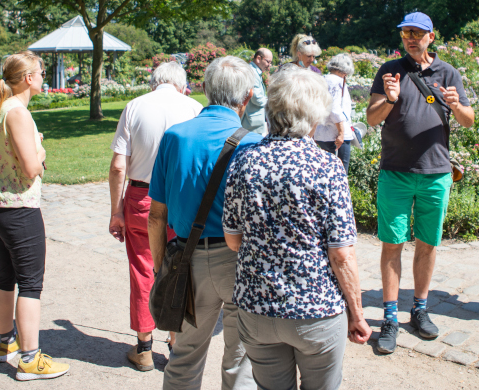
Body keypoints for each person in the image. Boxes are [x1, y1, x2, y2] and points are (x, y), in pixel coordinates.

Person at [223, 68, 372, 389]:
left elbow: (233, 240)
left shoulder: (243, 160)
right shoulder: (328, 166)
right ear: (314, 115)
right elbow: (342, 254)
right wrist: (357, 314)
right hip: (315, 311)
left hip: (257, 308)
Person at [148, 56, 261, 390]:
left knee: (184, 356)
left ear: (205, 89)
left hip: (188, 259)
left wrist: (160, 268)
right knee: (240, 361)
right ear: (248, 96)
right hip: (239, 261)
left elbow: (156, 214)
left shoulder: (175, 137)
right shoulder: (254, 145)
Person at [365, 11, 475, 354]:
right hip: (395, 172)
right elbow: (371, 118)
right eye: (406, 33)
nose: (411, 38)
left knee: (427, 243)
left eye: (418, 33)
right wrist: (390, 99)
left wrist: (457, 107)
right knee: (392, 245)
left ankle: (420, 310)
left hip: (435, 174)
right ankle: (389, 318)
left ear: (431, 36)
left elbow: (470, 122)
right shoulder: (388, 71)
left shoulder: (449, 72)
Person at [0, 51, 69, 381]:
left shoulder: (0, 108)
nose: (44, 77)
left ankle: (7, 344)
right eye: (42, 73)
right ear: (28, 78)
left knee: (4, 276)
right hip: (17, 208)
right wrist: (41, 149)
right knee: (30, 285)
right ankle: (29, 359)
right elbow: (32, 167)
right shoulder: (17, 112)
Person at [107, 61, 203, 371]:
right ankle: (176, 341)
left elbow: (119, 166)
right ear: (181, 84)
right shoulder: (192, 107)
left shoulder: (134, 106)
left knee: (142, 269)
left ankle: (144, 346)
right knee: (179, 267)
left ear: (154, 83)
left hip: (141, 197)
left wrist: (116, 210)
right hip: (180, 198)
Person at [315, 53, 355, 169]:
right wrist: (341, 133)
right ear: (344, 71)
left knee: (326, 171)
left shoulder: (322, 79)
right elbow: (334, 109)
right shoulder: (337, 81)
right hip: (335, 135)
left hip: (322, 133)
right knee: (341, 172)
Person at [241, 48, 272, 135]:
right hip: (252, 124)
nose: (269, 65)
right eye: (268, 61)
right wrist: (272, 101)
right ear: (258, 58)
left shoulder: (254, 71)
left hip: (253, 121)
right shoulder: (252, 72)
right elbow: (256, 98)